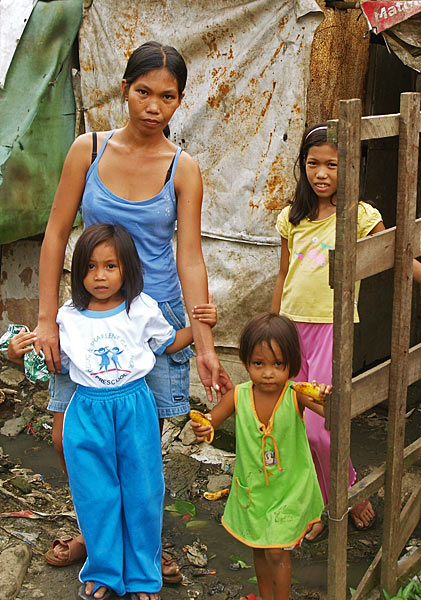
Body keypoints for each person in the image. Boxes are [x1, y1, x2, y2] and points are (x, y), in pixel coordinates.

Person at [33, 41, 231, 585]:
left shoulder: (182, 168)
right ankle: (96, 532)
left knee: (143, 442)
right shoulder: (88, 150)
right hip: (88, 313)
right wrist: (47, 318)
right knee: (66, 430)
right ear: (124, 89)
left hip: (156, 314)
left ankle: (142, 546)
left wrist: (206, 345)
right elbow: (55, 235)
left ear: (179, 101)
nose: (152, 106)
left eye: (166, 97)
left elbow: (189, 255)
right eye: (143, 92)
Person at [272, 123, 421, 540]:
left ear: (350, 168)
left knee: (320, 426)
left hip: (331, 330)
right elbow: (283, 275)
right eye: (313, 164)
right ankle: (317, 506)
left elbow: (403, 257)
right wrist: (270, 330)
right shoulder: (292, 218)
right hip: (289, 331)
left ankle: (349, 495)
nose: (321, 174)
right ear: (302, 166)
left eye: (333, 164)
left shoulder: (360, 217)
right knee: (290, 425)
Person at [59, 224, 215, 600]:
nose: (100, 275)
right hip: (87, 411)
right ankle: (103, 572)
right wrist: (18, 352)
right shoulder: (67, 316)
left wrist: (200, 325)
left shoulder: (141, 307)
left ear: (127, 268)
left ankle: (145, 576)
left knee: (143, 492)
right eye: (91, 266)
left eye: (110, 266)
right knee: (96, 494)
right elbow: (54, 362)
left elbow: (168, 343)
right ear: (79, 270)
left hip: (134, 408)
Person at [190, 313, 328, 600]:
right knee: (259, 546)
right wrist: (202, 425)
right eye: (258, 364)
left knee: (277, 550)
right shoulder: (239, 395)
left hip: (290, 489)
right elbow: (210, 422)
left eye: (278, 364)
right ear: (246, 363)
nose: (268, 373)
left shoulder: (296, 394)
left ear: (292, 363)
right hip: (254, 491)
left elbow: (332, 412)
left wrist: (326, 396)